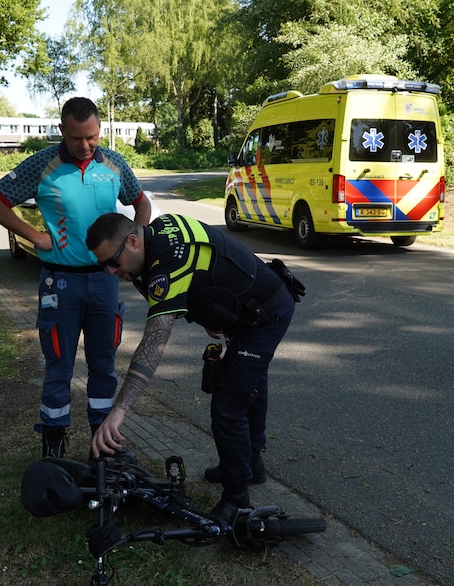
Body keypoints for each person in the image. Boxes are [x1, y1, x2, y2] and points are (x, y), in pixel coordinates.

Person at [86, 212, 299, 523]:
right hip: (243, 311)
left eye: (113, 262)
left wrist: (120, 410)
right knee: (247, 384)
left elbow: (153, 345)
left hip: (266, 313)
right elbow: (205, 271)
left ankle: (237, 499)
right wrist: (211, 313)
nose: (109, 271)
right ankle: (251, 463)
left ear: (132, 241)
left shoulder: (167, 262)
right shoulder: (153, 241)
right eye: (103, 264)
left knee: (229, 402)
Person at [0, 97, 152, 459]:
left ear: (100, 129)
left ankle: (102, 444)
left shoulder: (114, 164)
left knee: (104, 363)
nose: (86, 145)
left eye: (92, 137)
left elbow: (141, 202)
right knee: (59, 364)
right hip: (61, 281)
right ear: (63, 131)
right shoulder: (43, 165)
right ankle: (54, 443)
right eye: (77, 139)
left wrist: (135, 241)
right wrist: (33, 235)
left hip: (105, 280)